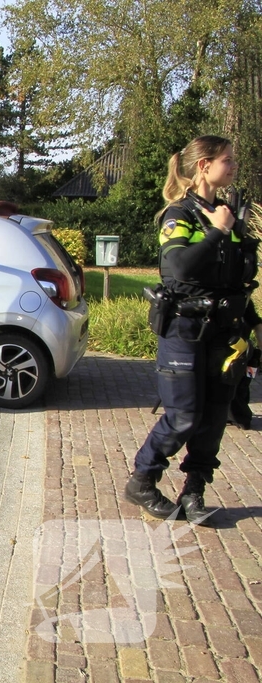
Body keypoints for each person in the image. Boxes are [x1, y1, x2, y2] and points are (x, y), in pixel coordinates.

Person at [126, 135, 262, 526]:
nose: (234, 166)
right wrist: (217, 231)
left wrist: (255, 325)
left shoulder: (227, 215)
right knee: (184, 415)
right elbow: (182, 267)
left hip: (224, 332)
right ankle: (143, 480)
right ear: (204, 165)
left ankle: (194, 492)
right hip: (184, 330)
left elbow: (234, 284)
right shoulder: (179, 215)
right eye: (228, 160)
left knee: (216, 415)